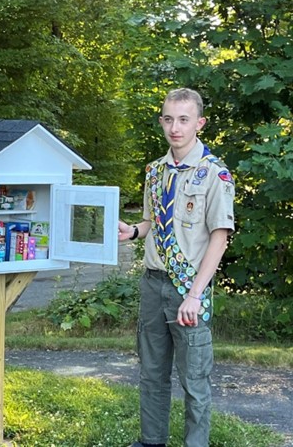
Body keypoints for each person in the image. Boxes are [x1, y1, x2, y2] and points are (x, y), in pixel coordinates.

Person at [118, 88, 235, 447]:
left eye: (183, 119)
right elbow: (154, 220)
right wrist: (134, 230)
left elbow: (220, 236)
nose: (175, 127)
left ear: (199, 123)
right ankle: (152, 441)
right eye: (168, 118)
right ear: (161, 121)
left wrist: (195, 295)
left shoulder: (214, 173)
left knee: (194, 378)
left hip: (189, 288)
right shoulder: (154, 172)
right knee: (151, 372)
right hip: (153, 285)